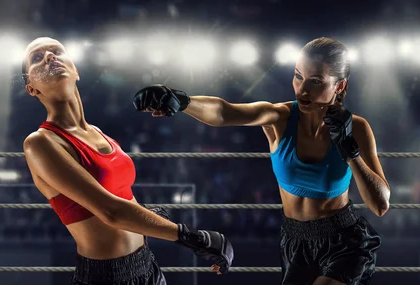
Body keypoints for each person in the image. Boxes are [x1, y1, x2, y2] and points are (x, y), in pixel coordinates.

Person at [133, 37, 390, 285]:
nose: (303, 89)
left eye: (315, 81)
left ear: (340, 86)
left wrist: (350, 153)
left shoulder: (357, 128)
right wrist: (183, 101)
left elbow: (380, 205)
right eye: (298, 76)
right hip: (294, 240)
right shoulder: (279, 117)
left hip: (345, 242)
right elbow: (225, 112)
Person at [21, 37, 234, 285]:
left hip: (147, 265)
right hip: (105, 277)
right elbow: (110, 211)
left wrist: (147, 216)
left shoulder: (97, 132)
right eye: (37, 58)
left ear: (76, 70)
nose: (50, 57)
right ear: (32, 88)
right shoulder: (40, 143)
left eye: (57, 51)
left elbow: (122, 196)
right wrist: (192, 238)